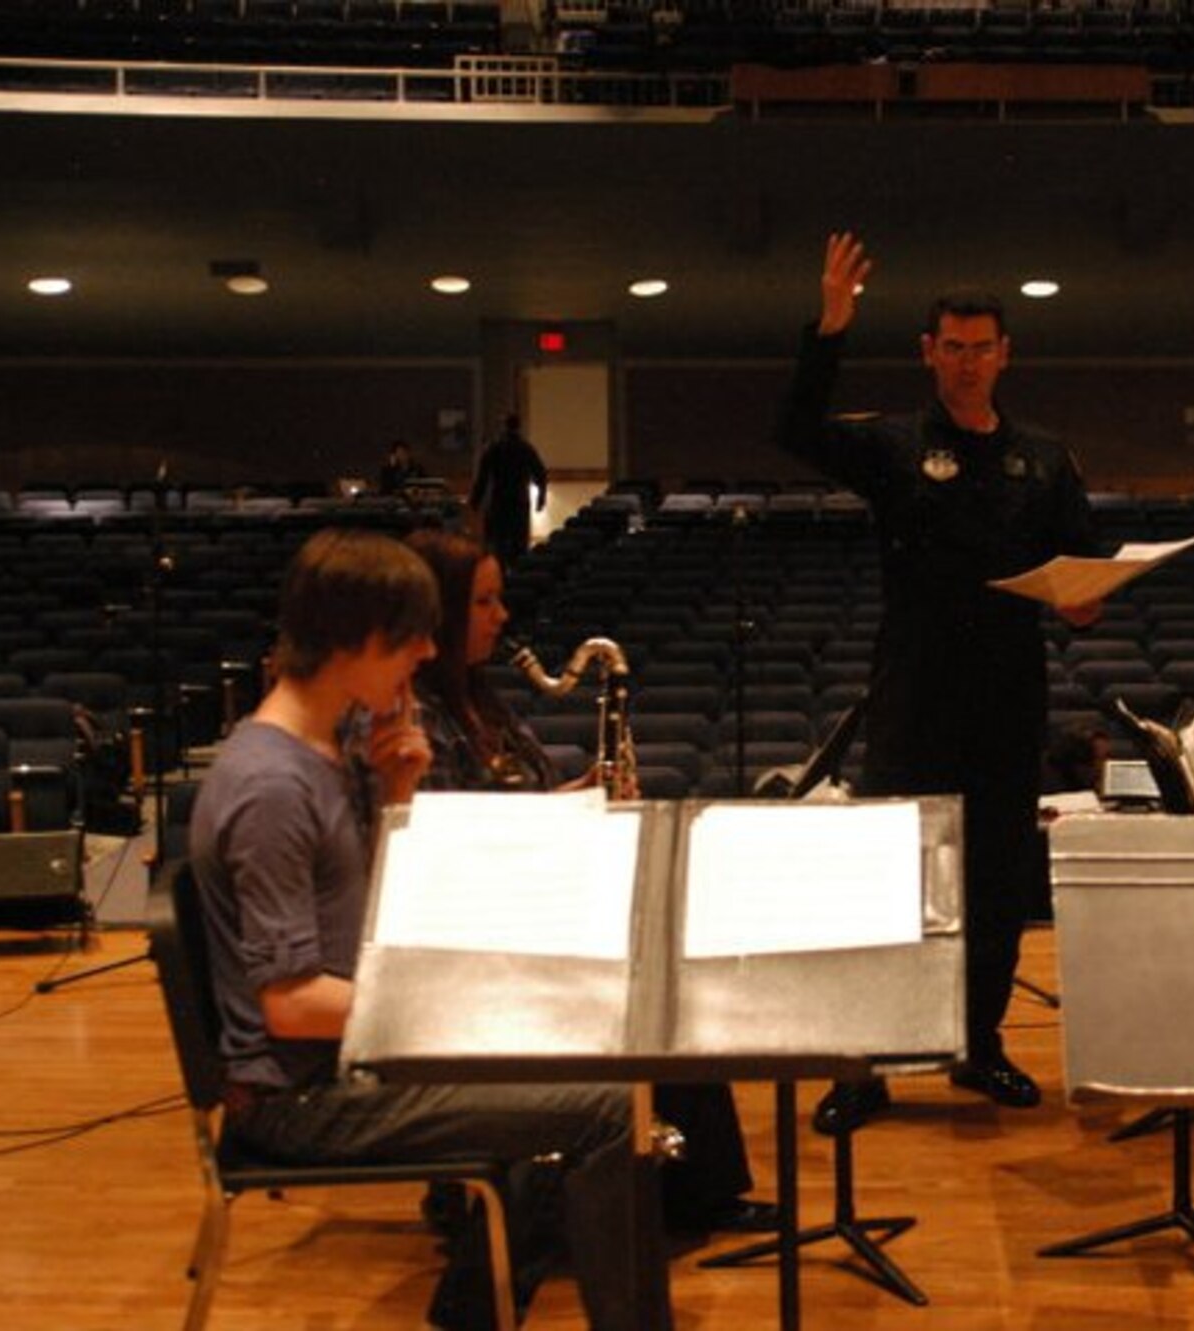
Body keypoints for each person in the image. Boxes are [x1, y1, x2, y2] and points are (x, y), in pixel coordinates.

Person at [187, 528, 666, 1331]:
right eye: (412, 638)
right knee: (609, 1105)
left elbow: (358, 914)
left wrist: (399, 794)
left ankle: (479, 1301)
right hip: (306, 1095)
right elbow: (291, 1006)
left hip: (348, 1057)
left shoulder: (317, 753)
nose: (425, 654)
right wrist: (464, 995)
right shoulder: (271, 786)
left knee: (587, 1047)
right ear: (363, 638)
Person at [777, 232, 1102, 1134]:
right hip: (913, 692)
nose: (966, 363)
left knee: (997, 883)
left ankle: (978, 1044)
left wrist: (1087, 601)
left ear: (1005, 354)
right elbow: (796, 432)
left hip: (1007, 700)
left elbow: (1083, 566)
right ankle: (866, 1063)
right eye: (950, 347)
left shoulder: (1045, 457)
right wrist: (830, 329)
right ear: (929, 354)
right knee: (890, 883)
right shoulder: (891, 447)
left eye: (981, 347)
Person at [404, 528, 777, 1238]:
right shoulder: (418, 715)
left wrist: (589, 789)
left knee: (671, 962)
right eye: (484, 601)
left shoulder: (479, 699)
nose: (502, 615)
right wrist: (567, 812)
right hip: (481, 934)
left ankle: (694, 1189)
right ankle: (661, 1192)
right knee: (653, 983)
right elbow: (450, 839)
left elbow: (533, 797)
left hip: (532, 903)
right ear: (440, 612)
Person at [471, 414, 548, 563]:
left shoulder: (494, 448)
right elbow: (540, 474)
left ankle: (501, 575)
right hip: (520, 500)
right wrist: (541, 498)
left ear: (504, 426)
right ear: (519, 427)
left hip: (499, 500)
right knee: (519, 543)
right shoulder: (526, 448)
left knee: (499, 542)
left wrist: (475, 501)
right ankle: (518, 577)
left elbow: (482, 478)